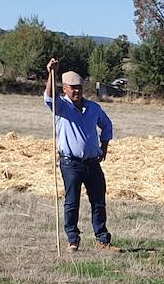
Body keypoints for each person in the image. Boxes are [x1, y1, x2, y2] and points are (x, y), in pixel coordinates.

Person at [45, 58, 115, 253]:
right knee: (72, 201)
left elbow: (107, 125)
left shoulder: (93, 108)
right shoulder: (61, 108)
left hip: (93, 163)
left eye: (79, 88)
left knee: (99, 201)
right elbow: (49, 96)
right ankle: (73, 240)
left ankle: (103, 240)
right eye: (72, 88)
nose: (77, 91)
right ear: (65, 89)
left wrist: (104, 146)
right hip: (70, 163)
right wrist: (51, 73)